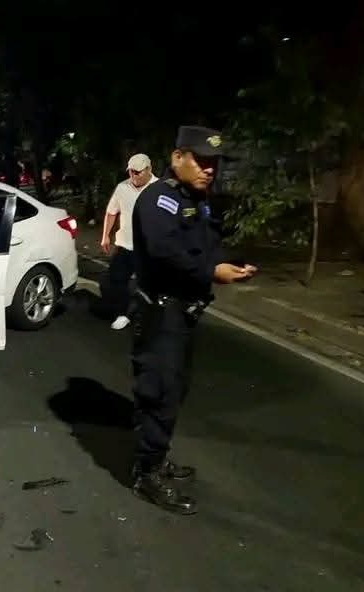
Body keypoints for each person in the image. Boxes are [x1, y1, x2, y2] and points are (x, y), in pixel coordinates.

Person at [128, 126, 257, 515]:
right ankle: (146, 474)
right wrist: (210, 273)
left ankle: (157, 455)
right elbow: (165, 252)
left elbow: (205, 245)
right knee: (159, 391)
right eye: (201, 161)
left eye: (213, 163)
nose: (209, 170)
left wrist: (227, 262)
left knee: (175, 390)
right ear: (177, 157)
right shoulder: (158, 200)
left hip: (182, 312)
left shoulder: (196, 201)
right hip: (160, 312)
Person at [101, 153, 158, 330]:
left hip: (149, 248)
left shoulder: (159, 189)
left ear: (149, 169)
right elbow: (111, 212)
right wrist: (105, 235)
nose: (133, 175)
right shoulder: (122, 188)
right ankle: (122, 313)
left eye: (138, 172)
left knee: (149, 285)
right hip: (125, 244)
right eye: (131, 171)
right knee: (116, 280)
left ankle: (150, 315)